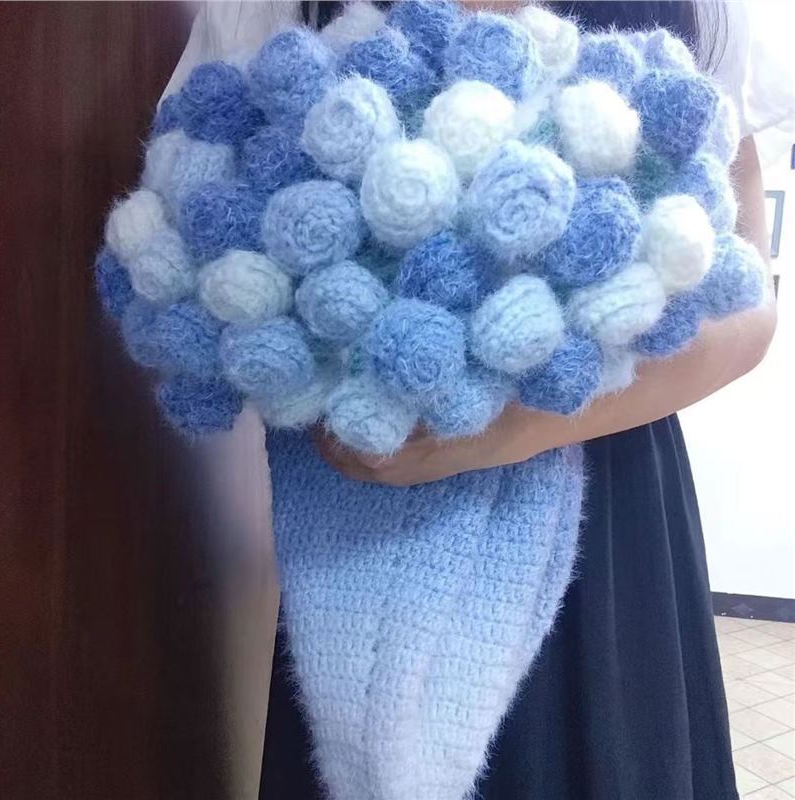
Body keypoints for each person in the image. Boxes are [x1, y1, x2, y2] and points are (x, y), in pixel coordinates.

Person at [249, 3, 783, 799]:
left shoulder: (700, 13)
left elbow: (746, 300)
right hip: (354, 528)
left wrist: (500, 429)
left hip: (602, 514)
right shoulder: (281, 11)